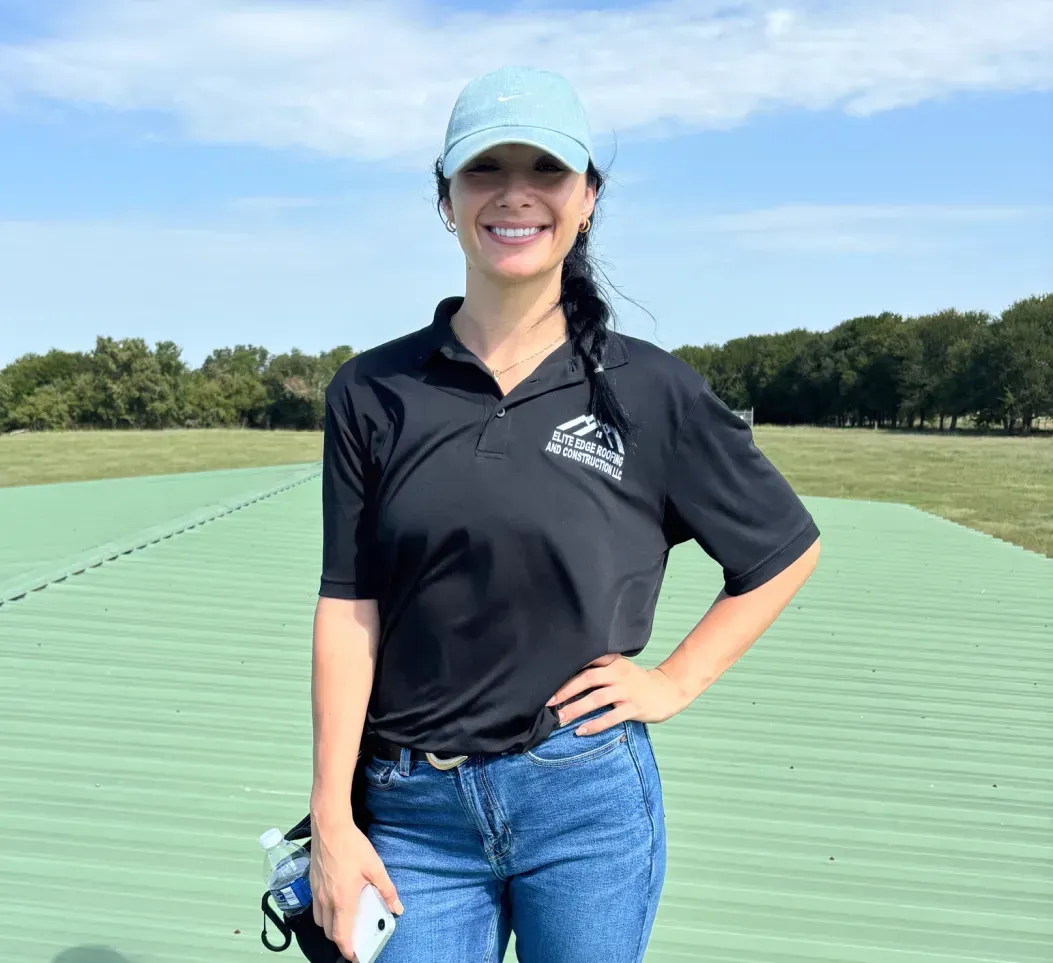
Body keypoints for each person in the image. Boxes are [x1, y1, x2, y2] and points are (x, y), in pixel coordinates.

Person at [308, 65, 820, 963]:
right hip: (412, 814)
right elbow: (349, 609)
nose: (514, 195)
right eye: (483, 170)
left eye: (544, 170)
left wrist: (673, 681)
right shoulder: (372, 390)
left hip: (583, 799)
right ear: (445, 197)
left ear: (587, 197)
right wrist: (332, 817)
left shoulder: (648, 387)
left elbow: (781, 549)